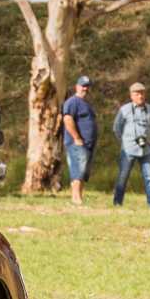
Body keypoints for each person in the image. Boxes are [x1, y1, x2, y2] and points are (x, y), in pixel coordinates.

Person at [112, 80, 150, 208]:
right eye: (137, 94)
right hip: (128, 150)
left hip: (147, 149)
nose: (140, 96)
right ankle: (117, 202)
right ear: (131, 95)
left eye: (142, 93)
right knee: (123, 177)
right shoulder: (124, 110)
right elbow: (116, 128)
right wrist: (124, 141)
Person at [60, 75, 98, 206]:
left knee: (83, 172)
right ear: (77, 86)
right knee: (77, 170)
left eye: (87, 86)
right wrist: (77, 138)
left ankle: (79, 198)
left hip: (87, 144)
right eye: (83, 85)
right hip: (77, 143)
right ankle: (76, 199)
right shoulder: (72, 102)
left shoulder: (86, 103)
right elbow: (67, 119)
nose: (85, 88)